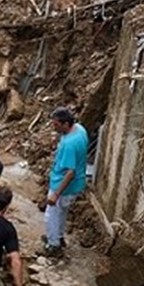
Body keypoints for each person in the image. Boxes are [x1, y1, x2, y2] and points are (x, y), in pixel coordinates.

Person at [42, 107, 89, 257]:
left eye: (56, 125)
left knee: (51, 215)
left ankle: (53, 245)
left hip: (64, 184)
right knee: (61, 212)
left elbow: (70, 172)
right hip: (76, 184)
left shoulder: (69, 144)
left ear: (66, 124)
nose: (54, 128)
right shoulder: (80, 130)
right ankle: (59, 236)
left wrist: (56, 193)